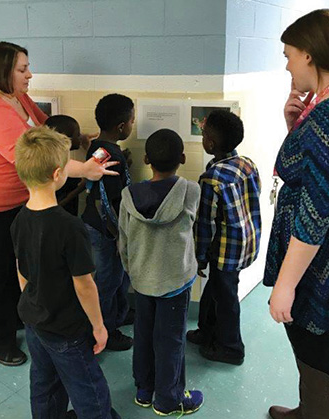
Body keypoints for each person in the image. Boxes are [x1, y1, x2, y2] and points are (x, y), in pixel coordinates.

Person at [0, 41, 118, 367]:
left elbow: (42, 129)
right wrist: (85, 169)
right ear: (2, 72)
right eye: (23, 70)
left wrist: (77, 141)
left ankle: (16, 317)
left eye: (27, 67)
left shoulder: (12, 94)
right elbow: (35, 157)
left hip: (12, 201)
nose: (30, 75)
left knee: (13, 265)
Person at [11, 126, 120, 419]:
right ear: (58, 174)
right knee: (89, 388)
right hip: (68, 330)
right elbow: (84, 284)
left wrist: (37, 301)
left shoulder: (19, 219)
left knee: (44, 382)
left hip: (35, 320)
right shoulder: (69, 228)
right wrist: (98, 326)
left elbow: (23, 272)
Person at [263, 9, 329, 419]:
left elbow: (317, 208)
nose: (287, 63)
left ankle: (319, 413)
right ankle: (311, 409)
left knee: (310, 339)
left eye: (289, 54)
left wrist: (286, 284)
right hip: (319, 251)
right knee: (316, 338)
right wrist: (293, 125)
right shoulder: (323, 104)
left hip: (320, 257)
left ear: (309, 54)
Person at [119, 129, 204, 416]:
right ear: (182, 157)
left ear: (145, 159)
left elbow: (123, 240)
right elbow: (199, 230)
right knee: (170, 340)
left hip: (142, 281)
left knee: (143, 334)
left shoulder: (128, 195)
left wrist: (132, 270)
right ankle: (169, 399)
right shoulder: (191, 191)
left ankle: (144, 390)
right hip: (175, 282)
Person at [187, 110, 261, 366]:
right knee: (217, 288)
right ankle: (207, 330)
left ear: (210, 143)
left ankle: (231, 348)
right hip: (247, 242)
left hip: (225, 250)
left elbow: (205, 224)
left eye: (205, 134)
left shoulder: (211, 179)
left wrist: (199, 257)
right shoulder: (247, 164)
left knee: (226, 297)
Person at [82, 93, 135, 351]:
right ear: (122, 127)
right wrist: (117, 235)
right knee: (108, 280)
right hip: (106, 229)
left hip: (99, 225)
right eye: (132, 121)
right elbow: (107, 201)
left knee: (117, 277)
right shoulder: (111, 156)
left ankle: (118, 315)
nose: (133, 125)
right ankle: (105, 330)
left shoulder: (99, 148)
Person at [45, 115, 86, 216]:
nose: (81, 137)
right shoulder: (55, 167)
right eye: (78, 134)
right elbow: (58, 204)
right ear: (66, 139)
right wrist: (81, 188)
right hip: (59, 219)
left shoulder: (64, 160)